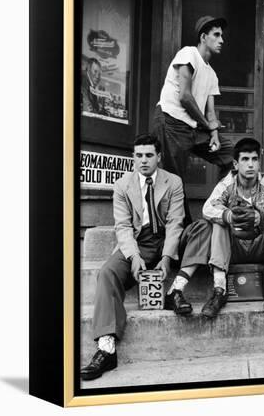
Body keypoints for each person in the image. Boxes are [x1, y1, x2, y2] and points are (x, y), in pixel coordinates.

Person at [80, 134, 186, 381]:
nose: (143, 161)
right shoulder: (122, 185)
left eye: (149, 155)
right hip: (137, 243)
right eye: (138, 155)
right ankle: (106, 348)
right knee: (107, 273)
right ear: (133, 158)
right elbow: (123, 227)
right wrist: (135, 257)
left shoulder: (174, 182)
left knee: (191, 237)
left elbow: (175, 223)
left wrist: (168, 257)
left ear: (159, 157)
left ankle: (175, 291)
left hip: (167, 241)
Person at [165, 138, 264, 318]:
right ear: (235, 164)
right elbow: (207, 208)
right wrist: (229, 216)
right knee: (219, 220)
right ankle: (219, 290)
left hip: (260, 246)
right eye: (245, 159)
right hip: (234, 249)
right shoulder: (227, 184)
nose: (250, 165)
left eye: (254, 159)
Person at [153, 15, 234, 222]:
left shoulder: (212, 74)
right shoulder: (188, 53)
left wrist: (214, 134)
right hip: (172, 121)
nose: (221, 40)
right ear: (204, 37)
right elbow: (185, 97)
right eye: (216, 35)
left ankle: (218, 204)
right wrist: (207, 126)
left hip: (194, 128)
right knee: (174, 183)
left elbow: (210, 113)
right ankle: (181, 232)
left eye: (222, 35)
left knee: (232, 155)